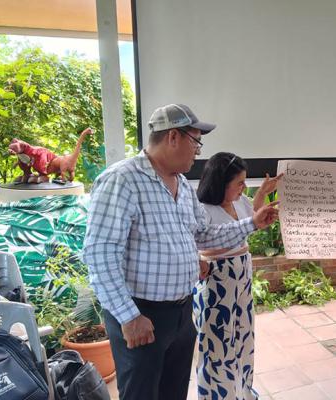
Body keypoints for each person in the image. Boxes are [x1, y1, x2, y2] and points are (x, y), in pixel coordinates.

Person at [83, 104, 278, 400]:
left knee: (173, 391)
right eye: (196, 141)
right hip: (143, 314)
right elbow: (100, 253)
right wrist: (129, 317)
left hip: (182, 311)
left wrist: (252, 223)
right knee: (142, 393)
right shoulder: (122, 180)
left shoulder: (183, 186)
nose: (198, 151)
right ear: (173, 136)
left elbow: (204, 233)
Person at [193, 152, 282, 399]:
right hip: (216, 284)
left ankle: (241, 392)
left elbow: (250, 218)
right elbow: (191, 240)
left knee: (243, 340)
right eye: (239, 183)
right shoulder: (202, 210)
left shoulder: (238, 201)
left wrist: (262, 195)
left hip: (241, 284)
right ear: (220, 183)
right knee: (216, 347)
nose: (244, 187)